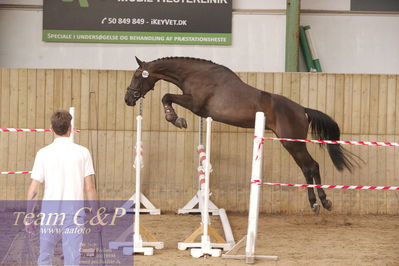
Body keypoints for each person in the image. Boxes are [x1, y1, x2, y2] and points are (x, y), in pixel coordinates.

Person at [26, 110, 98, 266]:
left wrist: (29, 215)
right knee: (72, 258)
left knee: (45, 256)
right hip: (74, 211)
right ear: (70, 128)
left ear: (51, 128)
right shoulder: (83, 152)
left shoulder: (43, 153)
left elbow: (34, 189)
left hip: (50, 211)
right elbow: (90, 187)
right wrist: (96, 215)